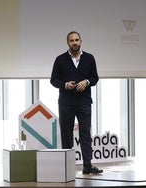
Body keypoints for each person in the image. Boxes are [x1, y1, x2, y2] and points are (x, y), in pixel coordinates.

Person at [50, 31, 102, 174]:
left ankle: (87, 166)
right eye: (71, 40)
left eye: (77, 40)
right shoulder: (60, 59)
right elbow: (53, 80)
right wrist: (66, 85)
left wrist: (86, 82)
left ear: (81, 41)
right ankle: (67, 168)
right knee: (66, 136)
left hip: (84, 103)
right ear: (68, 43)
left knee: (85, 135)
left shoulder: (90, 58)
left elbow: (95, 78)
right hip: (66, 103)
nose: (74, 42)